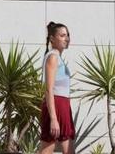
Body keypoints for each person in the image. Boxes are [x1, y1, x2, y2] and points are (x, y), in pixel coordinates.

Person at [38, 21, 74, 153]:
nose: (67, 38)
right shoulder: (53, 57)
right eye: (63, 35)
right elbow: (49, 89)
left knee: (67, 149)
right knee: (48, 148)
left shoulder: (58, 57)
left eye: (67, 35)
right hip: (56, 105)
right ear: (52, 39)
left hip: (62, 104)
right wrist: (53, 118)